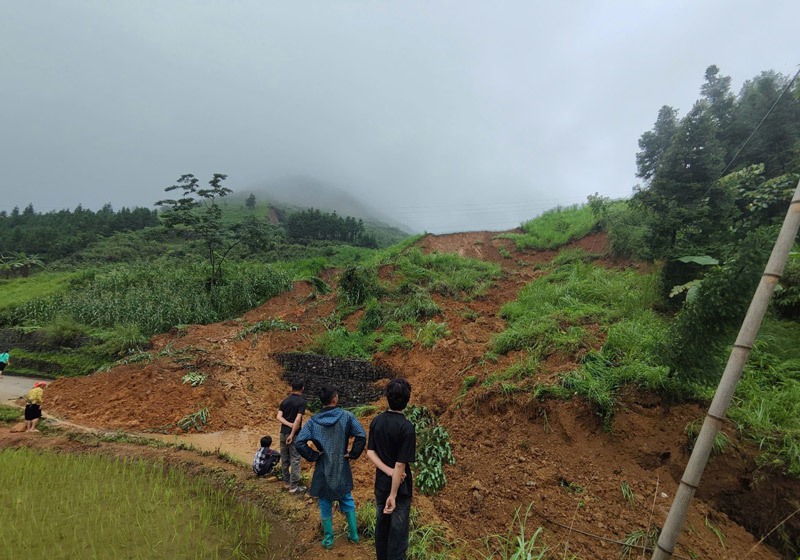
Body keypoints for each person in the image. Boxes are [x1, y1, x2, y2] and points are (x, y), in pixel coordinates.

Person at [295, 385, 366, 549]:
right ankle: (354, 535)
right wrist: (352, 453)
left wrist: (314, 455)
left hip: (323, 465)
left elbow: (300, 442)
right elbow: (361, 435)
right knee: (347, 498)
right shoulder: (347, 417)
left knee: (324, 501)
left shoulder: (313, 421)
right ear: (335, 399)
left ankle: (328, 540)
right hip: (341, 463)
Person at [366, 378, 416, 560]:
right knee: (398, 533)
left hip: (381, 484)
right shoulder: (406, 428)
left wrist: (387, 471)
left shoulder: (377, 421)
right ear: (407, 400)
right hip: (400, 490)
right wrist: (393, 495)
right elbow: (400, 465)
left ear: (387, 397)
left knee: (382, 528)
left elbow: (370, 452)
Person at [276, 379, 306, 493]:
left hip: (282, 433)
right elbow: (298, 419)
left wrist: (287, 424)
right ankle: (294, 486)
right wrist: (292, 433)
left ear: (291, 388)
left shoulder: (285, 401)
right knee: (295, 458)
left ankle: (286, 482)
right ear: (302, 388)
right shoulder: (301, 402)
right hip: (294, 434)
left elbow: (278, 417)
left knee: (285, 458)